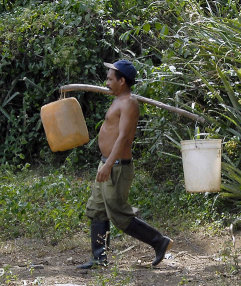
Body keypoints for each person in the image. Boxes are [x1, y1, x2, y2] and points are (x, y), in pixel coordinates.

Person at [77, 60, 173, 269]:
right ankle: (99, 259)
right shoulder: (118, 99)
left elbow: (123, 138)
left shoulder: (129, 103)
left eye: (111, 79)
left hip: (117, 166)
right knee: (97, 209)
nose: (107, 82)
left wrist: (109, 165)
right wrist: (105, 163)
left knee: (119, 214)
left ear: (122, 81)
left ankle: (159, 241)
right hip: (107, 163)